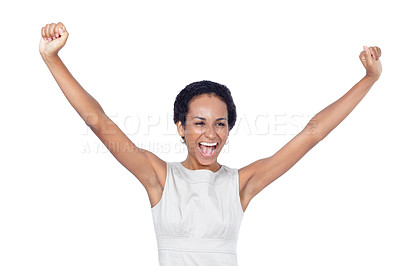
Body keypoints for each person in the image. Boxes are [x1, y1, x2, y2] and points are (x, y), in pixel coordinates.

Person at [40, 22, 382, 266]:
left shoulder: (240, 184)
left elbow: (312, 134)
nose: (210, 134)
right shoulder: (159, 178)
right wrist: (52, 58)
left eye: (220, 124)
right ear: (181, 128)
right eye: (199, 123)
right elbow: (98, 122)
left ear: (229, 130)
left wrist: (369, 78)